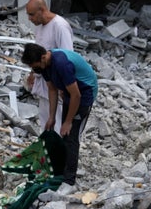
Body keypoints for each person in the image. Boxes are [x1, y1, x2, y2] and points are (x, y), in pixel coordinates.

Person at [21, 43, 98, 189]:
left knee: (71, 136)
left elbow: (76, 95)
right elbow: (52, 89)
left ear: (43, 57)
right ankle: (62, 169)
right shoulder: (43, 65)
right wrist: (52, 117)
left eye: (35, 65)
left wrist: (68, 121)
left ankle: (69, 181)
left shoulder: (61, 64)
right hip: (69, 92)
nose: (34, 69)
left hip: (84, 93)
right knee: (63, 134)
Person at [25, 0, 74, 134]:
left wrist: (64, 88)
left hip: (57, 86)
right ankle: (48, 153)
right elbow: (37, 54)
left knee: (58, 125)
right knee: (46, 125)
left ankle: (59, 154)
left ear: (42, 10)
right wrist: (33, 74)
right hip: (45, 83)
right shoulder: (40, 27)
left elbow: (68, 58)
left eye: (32, 14)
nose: (30, 18)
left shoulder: (60, 26)